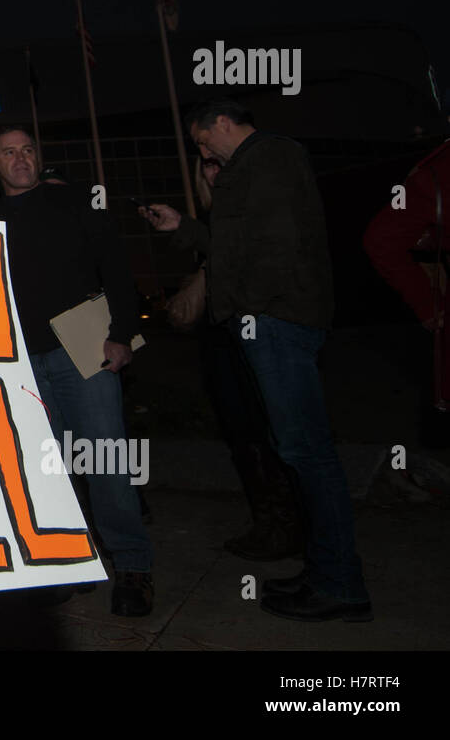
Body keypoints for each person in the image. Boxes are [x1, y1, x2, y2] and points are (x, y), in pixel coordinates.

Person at [140, 99, 371, 622]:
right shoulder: (256, 168)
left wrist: (251, 309)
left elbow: (275, 247)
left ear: (223, 123)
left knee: (308, 452)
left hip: (277, 322)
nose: (203, 153)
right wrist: (182, 224)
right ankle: (325, 571)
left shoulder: (269, 157)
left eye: (202, 141)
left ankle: (341, 585)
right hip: (272, 321)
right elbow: (233, 246)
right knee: (296, 449)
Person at [0, 124, 154, 617]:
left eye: (28, 150)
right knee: (48, 469)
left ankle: (133, 567)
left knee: (105, 460)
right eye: (8, 153)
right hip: (20, 358)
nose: (20, 159)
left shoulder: (77, 204)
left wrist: (122, 333)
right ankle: (71, 563)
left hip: (84, 345)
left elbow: (117, 271)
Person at [174, 156, 303, 560]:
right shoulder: (210, 222)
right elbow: (184, 310)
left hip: (260, 339)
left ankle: (292, 527)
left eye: (220, 164)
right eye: (207, 166)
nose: (214, 173)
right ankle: (271, 526)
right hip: (220, 343)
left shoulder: (257, 214)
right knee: (242, 437)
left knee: (273, 435)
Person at [362, 139, 450, 447]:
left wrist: (428, 306)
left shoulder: (437, 169)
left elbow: (382, 241)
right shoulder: (437, 172)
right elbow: (383, 241)